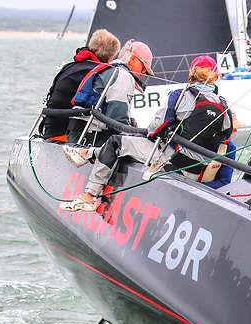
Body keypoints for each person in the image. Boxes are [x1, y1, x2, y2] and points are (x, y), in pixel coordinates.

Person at [59, 55, 234, 212]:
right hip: (195, 172)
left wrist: (155, 134)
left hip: (169, 163)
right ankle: (86, 154)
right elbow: (224, 140)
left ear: (192, 73)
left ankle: (89, 196)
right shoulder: (225, 108)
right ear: (215, 76)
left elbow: (156, 127)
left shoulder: (180, 96)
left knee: (117, 142)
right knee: (130, 144)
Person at [67, 39, 154, 145]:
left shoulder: (110, 68)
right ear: (132, 60)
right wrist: (136, 136)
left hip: (77, 132)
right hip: (92, 136)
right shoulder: (123, 76)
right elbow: (117, 118)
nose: (142, 74)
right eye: (144, 68)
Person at [40, 29, 121, 142]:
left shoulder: (71, 66)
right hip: (66, 135)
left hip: (50, 129)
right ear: (110, 56)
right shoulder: (98, 73)